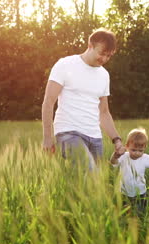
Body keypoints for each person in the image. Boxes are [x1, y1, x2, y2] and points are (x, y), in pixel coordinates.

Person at [42, 28, 124, 170]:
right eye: (102, 53)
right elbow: (48, 102)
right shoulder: (65, 65)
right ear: (90, 45)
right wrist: (47, 138)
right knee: (89, 172)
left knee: (94, 185)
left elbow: (104, 112)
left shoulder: (104, 75)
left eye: (109, 56)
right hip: (68, 133)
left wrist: (116, 140)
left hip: (95, 137)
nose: (104, 59)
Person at [111, 128, 149, 214]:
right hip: (124, 192)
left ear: (145, 148)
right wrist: (115, 156)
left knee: (140, 212)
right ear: (127, 146)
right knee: (124, 212)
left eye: (140, 151)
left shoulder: (145, 158)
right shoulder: (123, 156)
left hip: (140, 192)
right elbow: (113, 162)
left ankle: (139, 223)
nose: (137, 153)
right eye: (133, 150)